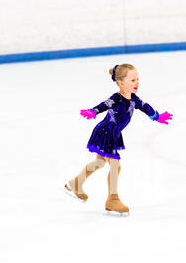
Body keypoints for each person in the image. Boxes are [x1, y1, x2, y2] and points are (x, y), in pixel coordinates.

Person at [64, 63, 173, 216]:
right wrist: (93, 111)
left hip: (113, 134)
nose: (137, 83)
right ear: (121, 83)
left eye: (137, 79)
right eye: (132, 80)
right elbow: (104, 105)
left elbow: (145, 106)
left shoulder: (134, 99)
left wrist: (157, 116)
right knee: (115, 166)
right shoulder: (117, 98)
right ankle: (112, 199)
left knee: (100, 162)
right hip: (106, 132)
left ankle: (75, 183)